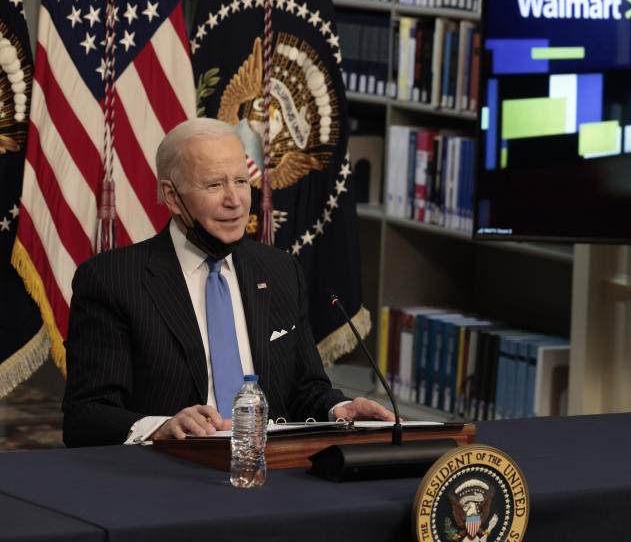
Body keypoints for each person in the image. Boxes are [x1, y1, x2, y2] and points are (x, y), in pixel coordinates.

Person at [62, 118, 393, 447]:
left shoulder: (280, 270)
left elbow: (305, 390)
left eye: (241, 181)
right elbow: (86, 416)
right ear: (172, 196)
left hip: (269, 469)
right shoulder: (112, 281)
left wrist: (338, 410)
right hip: (171, 471)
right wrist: (163, 427)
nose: (235, 201)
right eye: (214, 185)